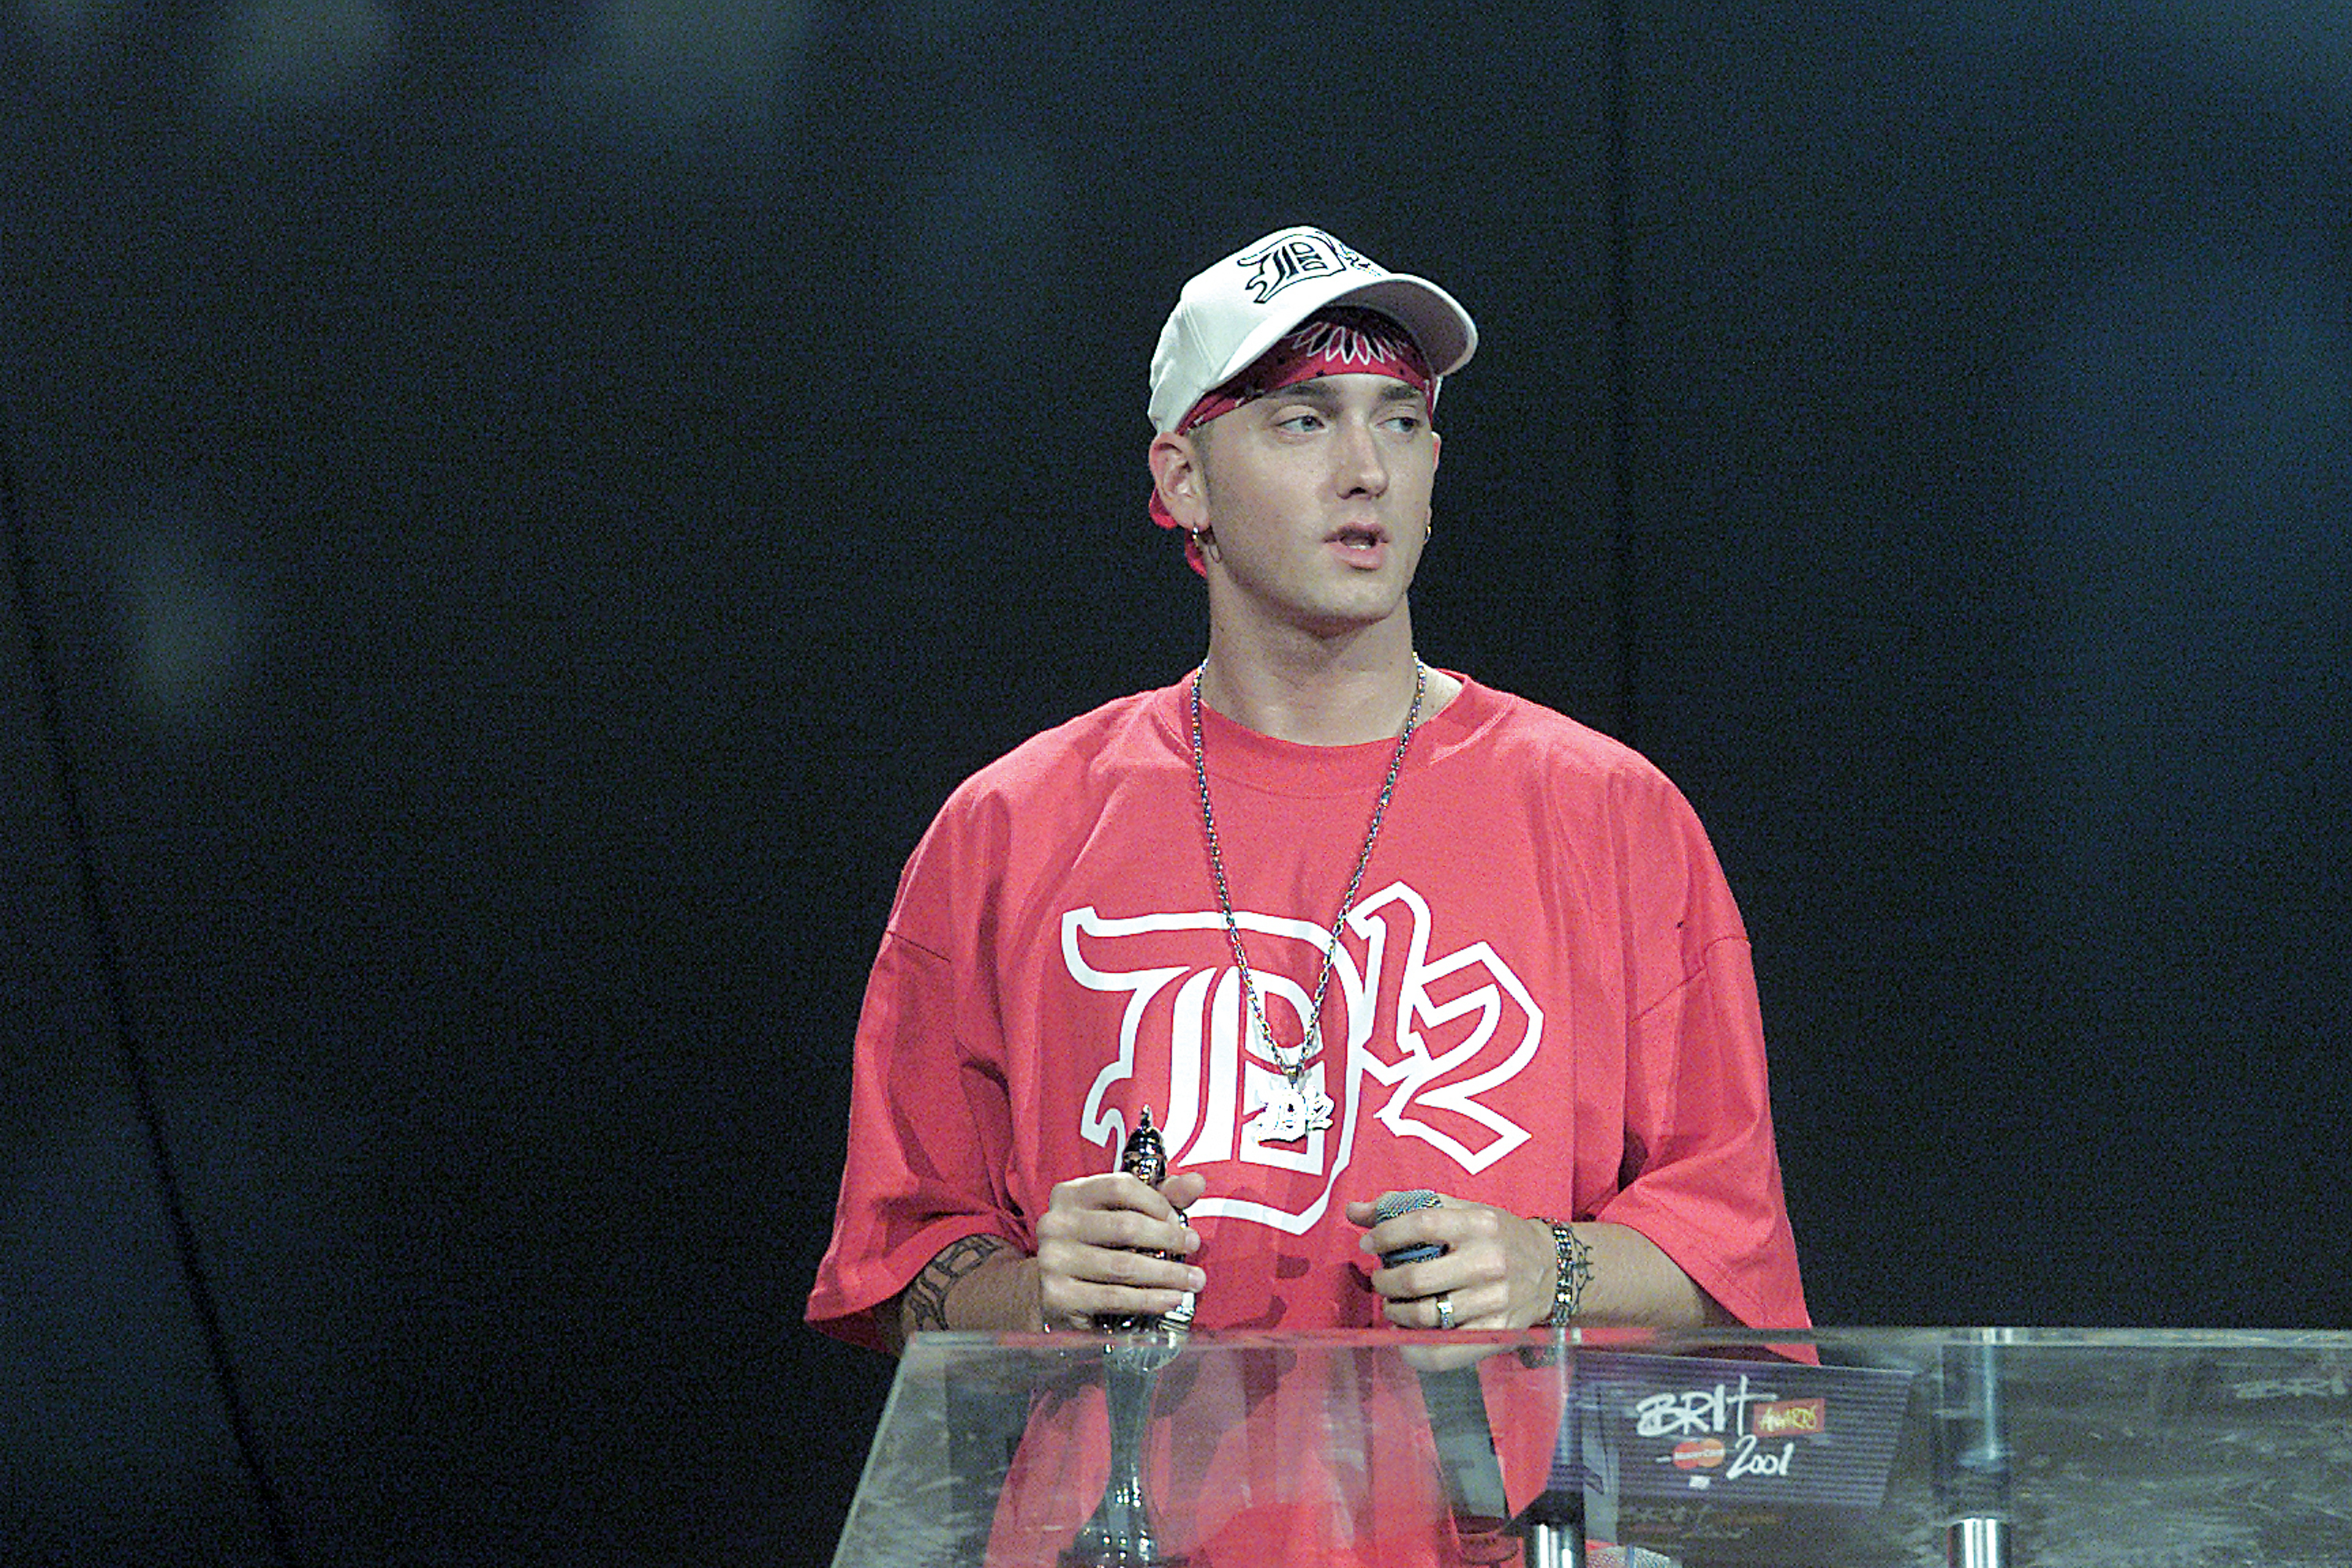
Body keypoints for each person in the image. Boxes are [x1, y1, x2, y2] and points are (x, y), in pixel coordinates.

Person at [808, 224, 1810, 1564]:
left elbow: (1730, 1259)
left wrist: (1548, 1268)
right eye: (1301, 421)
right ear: (1183, 478)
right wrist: (1039, 1287)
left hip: (1495, 1539)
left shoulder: (1611, 813)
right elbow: (901, 1266)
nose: (1366, 470)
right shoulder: (1010, 827)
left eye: (1402, 421)